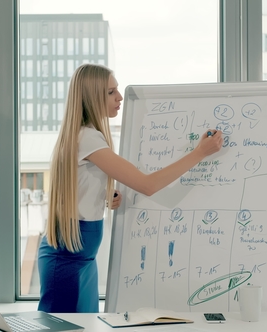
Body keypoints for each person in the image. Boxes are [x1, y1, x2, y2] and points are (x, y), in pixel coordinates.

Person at [37, 63, 223, 313]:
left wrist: (104, 195)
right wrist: (199, 153)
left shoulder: (83, 135)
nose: (119, 97)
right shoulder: (88, 138)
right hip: (68, 257)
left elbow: (78, 184)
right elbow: (148, 185)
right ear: (92, 97)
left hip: (79, 256)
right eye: (111, 92)